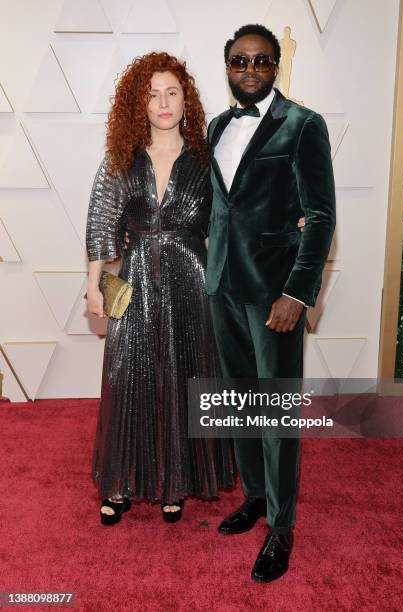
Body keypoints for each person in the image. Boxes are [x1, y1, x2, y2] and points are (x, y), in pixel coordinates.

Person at [205, 24, 336, 582]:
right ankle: (256, 496)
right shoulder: (216, 125)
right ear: (228, 66)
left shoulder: (304, 125)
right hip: (223, 289)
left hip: (274, 295)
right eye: (240, 61)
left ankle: (281, 528)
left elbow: (321, 216)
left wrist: (298, 292)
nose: (250, 69)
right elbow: (222, 209)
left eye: (262, 60)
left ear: (276, 66)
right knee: (240, 401)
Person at [85, 52, 236, 525]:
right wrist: (93, 286)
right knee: (126, 377)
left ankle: (176, 481)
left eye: (172, 92)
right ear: (139, 104)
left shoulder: (205, 161)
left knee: (185, 377)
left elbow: (228, 223)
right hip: (131, 281)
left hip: (193, 283)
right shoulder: (121, 159)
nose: (163, 102)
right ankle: (121, 482)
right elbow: (100, 225)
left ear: (185, 100)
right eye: (152, 94)